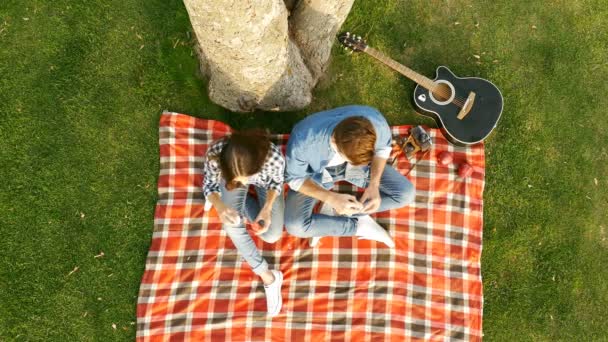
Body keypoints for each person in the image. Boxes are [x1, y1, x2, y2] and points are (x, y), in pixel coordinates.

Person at [284, 105, 415, 247]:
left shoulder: (374, 123)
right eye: (350, 159)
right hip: (317, 175)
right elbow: (294, 178)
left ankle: (348, 213)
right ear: (334, 141)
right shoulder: (303, 142)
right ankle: (358, 226)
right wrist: (330, 198)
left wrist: (374, 184)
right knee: (295, 225)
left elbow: (383, 149)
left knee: (406, 194)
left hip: (358, 170)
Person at [203, 129, 285, 316]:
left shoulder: (273, 158)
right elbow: (209, 184)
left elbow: (276, 183)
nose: (242, 181)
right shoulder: (215, 154)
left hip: (264, 184)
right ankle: (269, 277)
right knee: (231, 224)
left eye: (244, 179)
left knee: (272, 235)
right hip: (229, 188)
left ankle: (241, 201)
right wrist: (220, 206)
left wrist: (267, 208)